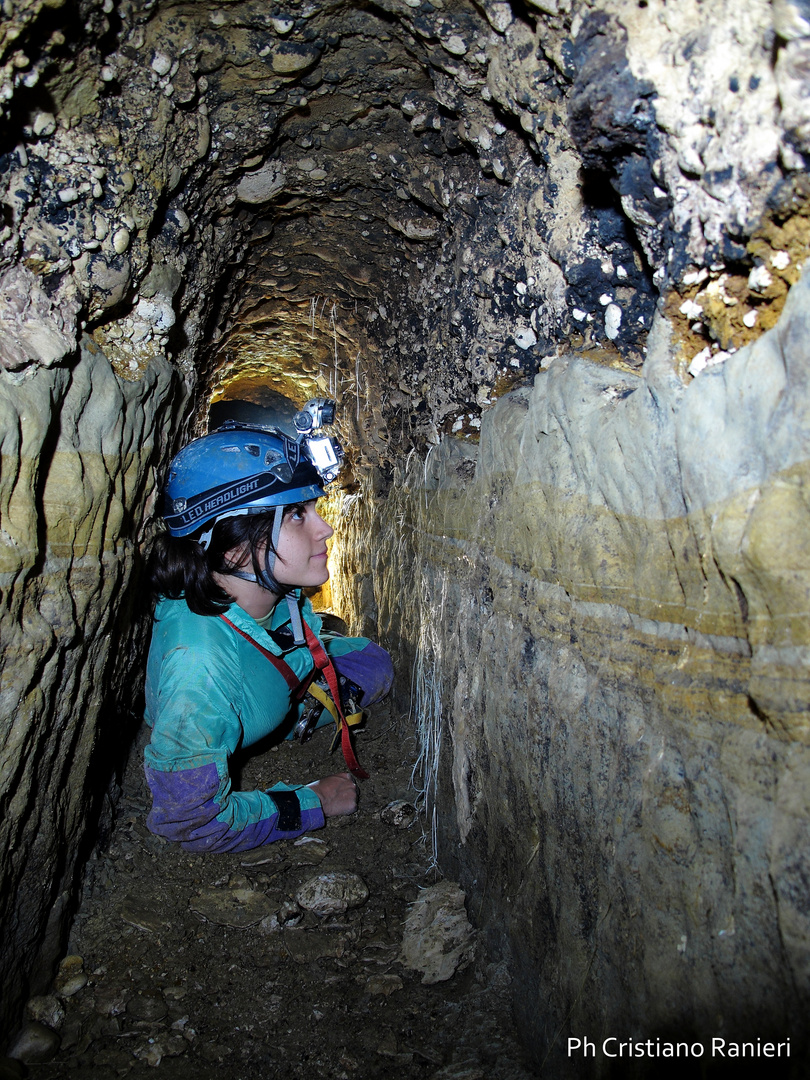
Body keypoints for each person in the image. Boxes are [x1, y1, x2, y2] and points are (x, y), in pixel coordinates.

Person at [142, 409, 393, 853]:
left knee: (371, 662)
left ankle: (296, 709)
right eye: (297, 514)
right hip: (234, 695)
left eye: (314, 508)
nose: (325, 528)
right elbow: (190, 821)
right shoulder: (198, 671)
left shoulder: (270, 591)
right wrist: (311, 801)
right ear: (236, 546)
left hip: (271, 681)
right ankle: (290, 716)